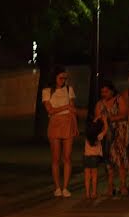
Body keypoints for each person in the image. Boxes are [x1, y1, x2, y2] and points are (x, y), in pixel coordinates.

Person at [43, 66, 79, 197]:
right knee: (56, 157)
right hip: (55, 123)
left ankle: (65, 187)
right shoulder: (47, 91)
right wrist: (66, 107)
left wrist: (75, 125)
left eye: (65, 78)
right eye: (60, 77)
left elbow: (73, 110)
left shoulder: (69, 90)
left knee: (67, 156)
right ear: (55, 77)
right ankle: (57, 187)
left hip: (68, 122)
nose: (63, 80)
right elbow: (50, 110)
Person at [96, 80, 129, 196]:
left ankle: (122, 184)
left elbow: (124, 114)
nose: (104, 94)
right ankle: (110, 185)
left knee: (120, 157)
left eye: (106, 91)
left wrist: (110, 118)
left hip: (120, 132)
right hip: (106, 134)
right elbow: (97, 118)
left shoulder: (119, 99)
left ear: (111, 91)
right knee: (109, 160)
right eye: (102, 92)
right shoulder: (100, 104)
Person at [83, 115, 108, 199]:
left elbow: (91, 127)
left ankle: (87, 193)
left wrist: (95, 119)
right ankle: (94, 193)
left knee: (87, 176)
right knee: (94, 176)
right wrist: (104, 120)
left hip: (86, 157)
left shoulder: (87, 136)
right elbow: (105, 130)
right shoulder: (98, 136)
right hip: (94, 158)